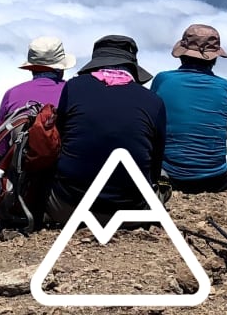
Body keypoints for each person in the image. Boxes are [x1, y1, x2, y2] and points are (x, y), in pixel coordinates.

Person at [46, 35, 166, 225]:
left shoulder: (74, 88)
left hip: (68, 208)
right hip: (132, 213)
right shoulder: (153, 101)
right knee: (165, 181)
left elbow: (59, 141)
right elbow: (155, 163)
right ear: (132, 65)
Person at [150, 24, 227, 193]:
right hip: (215, 179)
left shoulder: (163, 80)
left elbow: (151, 124)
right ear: (214, 58)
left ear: (182, 54)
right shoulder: (225, 87)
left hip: (168, 176)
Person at [0, 36, 76, 131]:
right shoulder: (74, 93)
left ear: (31, 68)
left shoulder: (12, 94)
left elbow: (0, 142)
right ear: (60, 68)